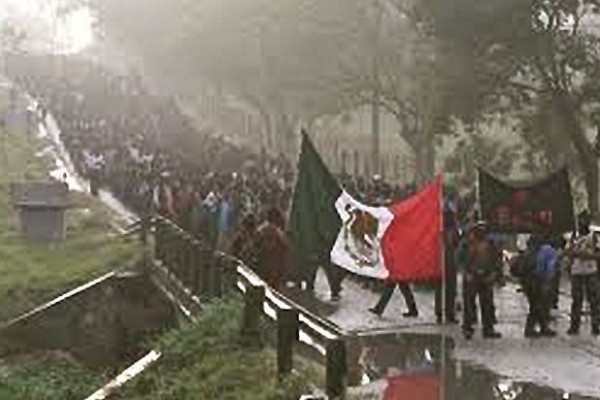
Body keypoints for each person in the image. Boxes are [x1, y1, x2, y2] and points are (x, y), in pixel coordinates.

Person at [459, 220, 502, 339]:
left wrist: (494, 274)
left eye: (484, 229)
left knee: (487, 304)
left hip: (486, 277)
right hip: (471, 277)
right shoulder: (467, 243)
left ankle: (488, 328)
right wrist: (466, 272)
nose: (481, 232)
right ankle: (467, 328)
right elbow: (460, 259)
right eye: (479, 229)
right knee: (469, 305)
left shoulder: (491, 243)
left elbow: (497, 259)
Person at [565, 211, 600, 336]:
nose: (582, 223)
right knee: (577, 300)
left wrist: (588, 255)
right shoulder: (574, 236)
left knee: (594, 300)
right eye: (580, 220)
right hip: (577, 272)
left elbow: (598, 254)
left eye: (585, 220)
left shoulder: (594, 236)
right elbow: (567, 252)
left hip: (591, 271)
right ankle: (574, 326)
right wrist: (575, 253)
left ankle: (596, 326)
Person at [435, 208, 459, 324]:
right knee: (449, 289)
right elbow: (455, 243)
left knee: (441, 289)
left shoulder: (438, 229)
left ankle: (442, 312)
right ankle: (447, 313)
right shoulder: (450, 230)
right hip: (448, 260)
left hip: (442, 261)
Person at [256, 207, 290, 290]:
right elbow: (286, 247)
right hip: (273, 270)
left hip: (260, 267)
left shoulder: (260, 230)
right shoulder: (278, 233)